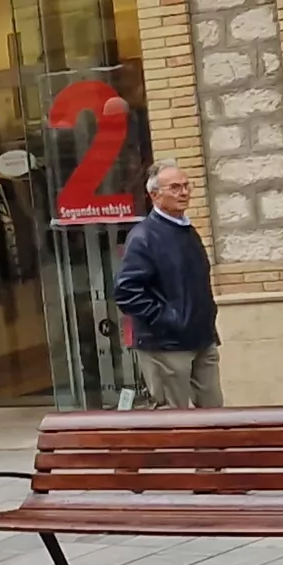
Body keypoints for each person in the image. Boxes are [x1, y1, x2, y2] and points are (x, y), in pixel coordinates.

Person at [113, 164, 221, 408]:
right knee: (173, 422)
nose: (184, 192)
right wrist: (168, 319)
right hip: (166, 346)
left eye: (186, 186)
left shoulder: (187, 231)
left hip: (202, 339)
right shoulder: (144, 237)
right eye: (174, 187)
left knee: (215, 415)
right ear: (154, 195)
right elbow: (126, 291)